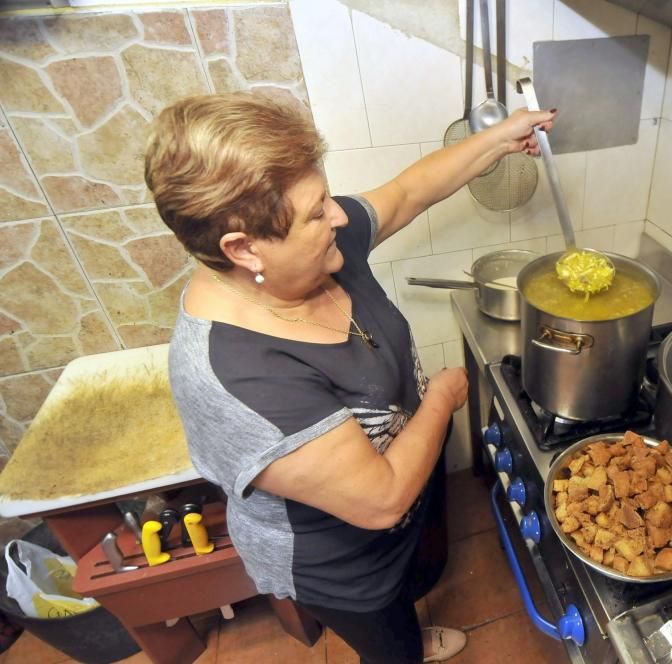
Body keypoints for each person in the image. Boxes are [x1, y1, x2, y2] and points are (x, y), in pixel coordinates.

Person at [143, 92, 555, 663]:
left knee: (408, 597)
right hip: (341, 564)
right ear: (243, 248)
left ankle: (410, 632)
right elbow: (381, 501)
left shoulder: (317, 254)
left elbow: (409, 191)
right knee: (387, 646)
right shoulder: (236, 374)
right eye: (316, 212)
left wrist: (500, 137)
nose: (338, 215)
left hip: (405, 499)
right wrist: (441, 398)